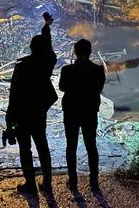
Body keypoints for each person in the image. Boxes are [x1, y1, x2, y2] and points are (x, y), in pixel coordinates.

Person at [7, 15, 58, 194]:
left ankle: (30, 183)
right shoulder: (47, 64)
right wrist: (46, 28)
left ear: (31, 48)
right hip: (38, 111)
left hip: (22, 113)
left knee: (25, 148)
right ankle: (47, 182)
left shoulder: (22, 66)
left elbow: (14, 94)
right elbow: (49, 50)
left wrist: (9, 121)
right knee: (42, 146)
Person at [59, 39, 106, 191]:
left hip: (71, 110)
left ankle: (73, 181)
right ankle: (94, 181)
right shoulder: (98, 70)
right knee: (91, 144)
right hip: (89, 111)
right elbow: (100, 88)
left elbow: (62, 87)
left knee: (71, 145)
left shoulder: (67, 70)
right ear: (90, 52)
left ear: (75, 52)